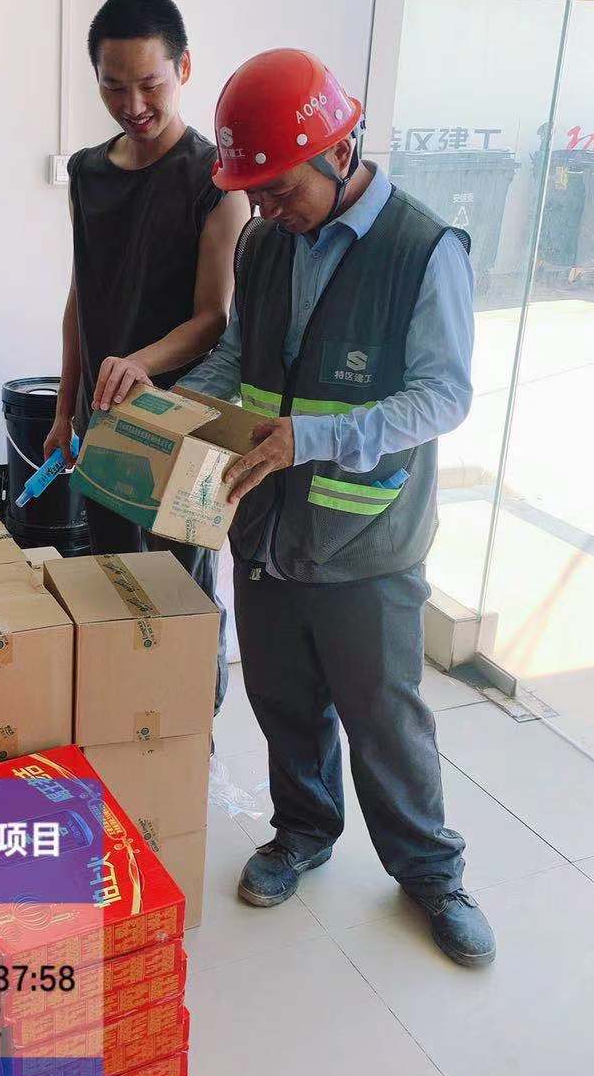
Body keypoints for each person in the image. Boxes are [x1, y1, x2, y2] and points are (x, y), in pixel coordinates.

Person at [181, 48, 496, 967]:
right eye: (254, 194)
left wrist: (311, 437)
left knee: (384, 718)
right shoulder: (263, 243)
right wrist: (175, 411)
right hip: (265, 523)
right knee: (283, 698)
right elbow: (239, 356)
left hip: (368, 536)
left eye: (279, 189)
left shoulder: (423, 250)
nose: (267, 208)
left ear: (340, 150)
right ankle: (304, 833)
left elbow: (443, 397)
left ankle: (431, 873)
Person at [44, 0, 248, 715]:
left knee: (182, 595)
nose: (132, 104)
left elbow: (213, 318)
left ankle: (192, 739)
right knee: (111, 586)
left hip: (183, 425)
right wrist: (64, 411)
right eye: (113, 86)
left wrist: (141, 362)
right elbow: (82, 298)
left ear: (183, 68)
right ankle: (128, 729)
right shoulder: (87, 172)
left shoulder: (215, 181)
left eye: (149, 84)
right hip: (104, 421)